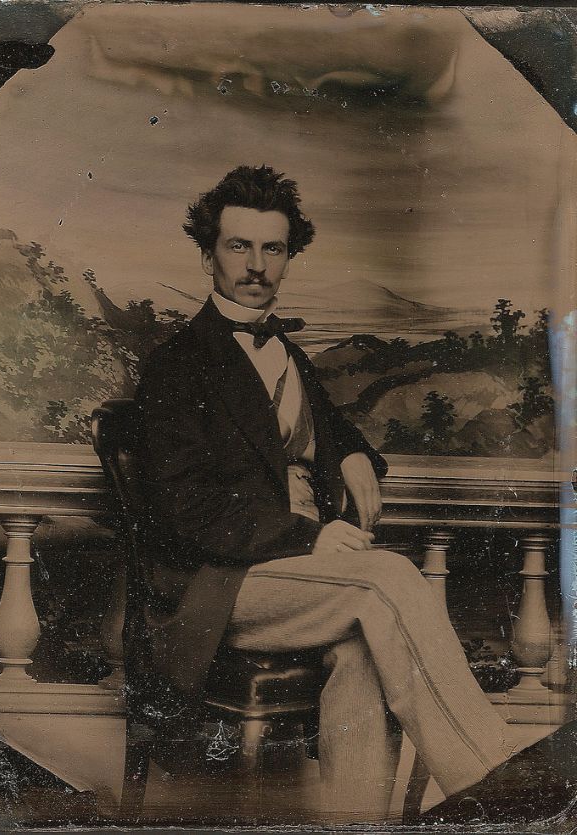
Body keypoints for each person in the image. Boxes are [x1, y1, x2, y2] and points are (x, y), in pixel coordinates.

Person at [130, 164, 575, 825]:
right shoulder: (176, 366)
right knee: (384, 579)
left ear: (288, 258)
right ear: (208, 255)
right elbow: (185, 509)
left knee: (364, 649)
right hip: (215, 588)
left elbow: (327, 428)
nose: (256, 265)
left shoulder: (289, 355)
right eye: (239, 245)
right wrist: (309, 537)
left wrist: (354, 454)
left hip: (298, 581)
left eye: (273, 248)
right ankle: (493, 772)